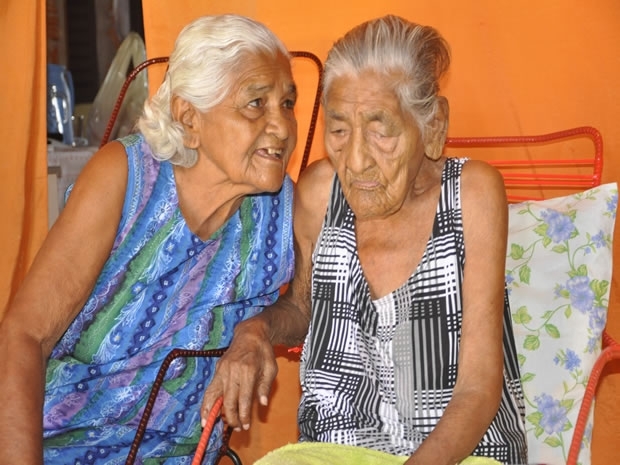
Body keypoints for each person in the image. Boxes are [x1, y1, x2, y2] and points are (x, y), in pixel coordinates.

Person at [203, 15, 528, 465]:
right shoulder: (319, 193)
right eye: (338, 131)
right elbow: (301, 306)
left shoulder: (471, 194)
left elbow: (477, 386)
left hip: (463, 454)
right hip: (335, 451)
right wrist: (255, 330)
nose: (355, 160)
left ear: (432, 126)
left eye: (381, 130)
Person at [0, 14, 298, 464]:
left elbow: (307, 303)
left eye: (288, 103)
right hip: (57, 445)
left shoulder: (281, 206)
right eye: (256, 103)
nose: (282, 126)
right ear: (189, 118)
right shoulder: (126, 179)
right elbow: (25, 336)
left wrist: (259, 330)